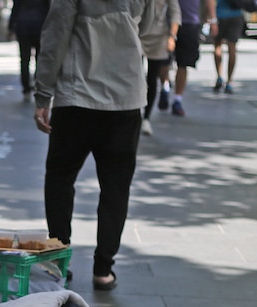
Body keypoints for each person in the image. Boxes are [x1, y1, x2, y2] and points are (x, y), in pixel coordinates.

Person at [33, 0, 156, 291]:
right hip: (126, 98)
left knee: (61, 178)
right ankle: (104, 268)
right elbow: (149, 29)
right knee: (116, 186)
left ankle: (59, 259)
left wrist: (43, 94)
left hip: (77, 97)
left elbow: (56, 34)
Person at [166, 0, 218, 116]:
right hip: (167, 22)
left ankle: (177, 99)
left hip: (189, 23)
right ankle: (165, 86)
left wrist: (212, 19)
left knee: (183, 64)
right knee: (163, 62)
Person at [141, 0, 182, 135]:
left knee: (152, 78)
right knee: (135, 76)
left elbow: (175, 12)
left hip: (159, 37)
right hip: (136, 35)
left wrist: (172, 37)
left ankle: (146, 117)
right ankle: (134, 113)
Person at [7, 0, 50, 101]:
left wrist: (10, 27)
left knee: (24, 59)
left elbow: (15, 7)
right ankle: (37, 82)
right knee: (39, 58)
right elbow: (48, 8)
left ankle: (26, 87)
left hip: (23, 26)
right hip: (40, 26)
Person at [212, 0, 244, 94]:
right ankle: (229, 81)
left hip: (219, 15)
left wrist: (210, 17)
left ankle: (219, 76)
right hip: (236, 15)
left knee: (217, 46)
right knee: (232, 48)